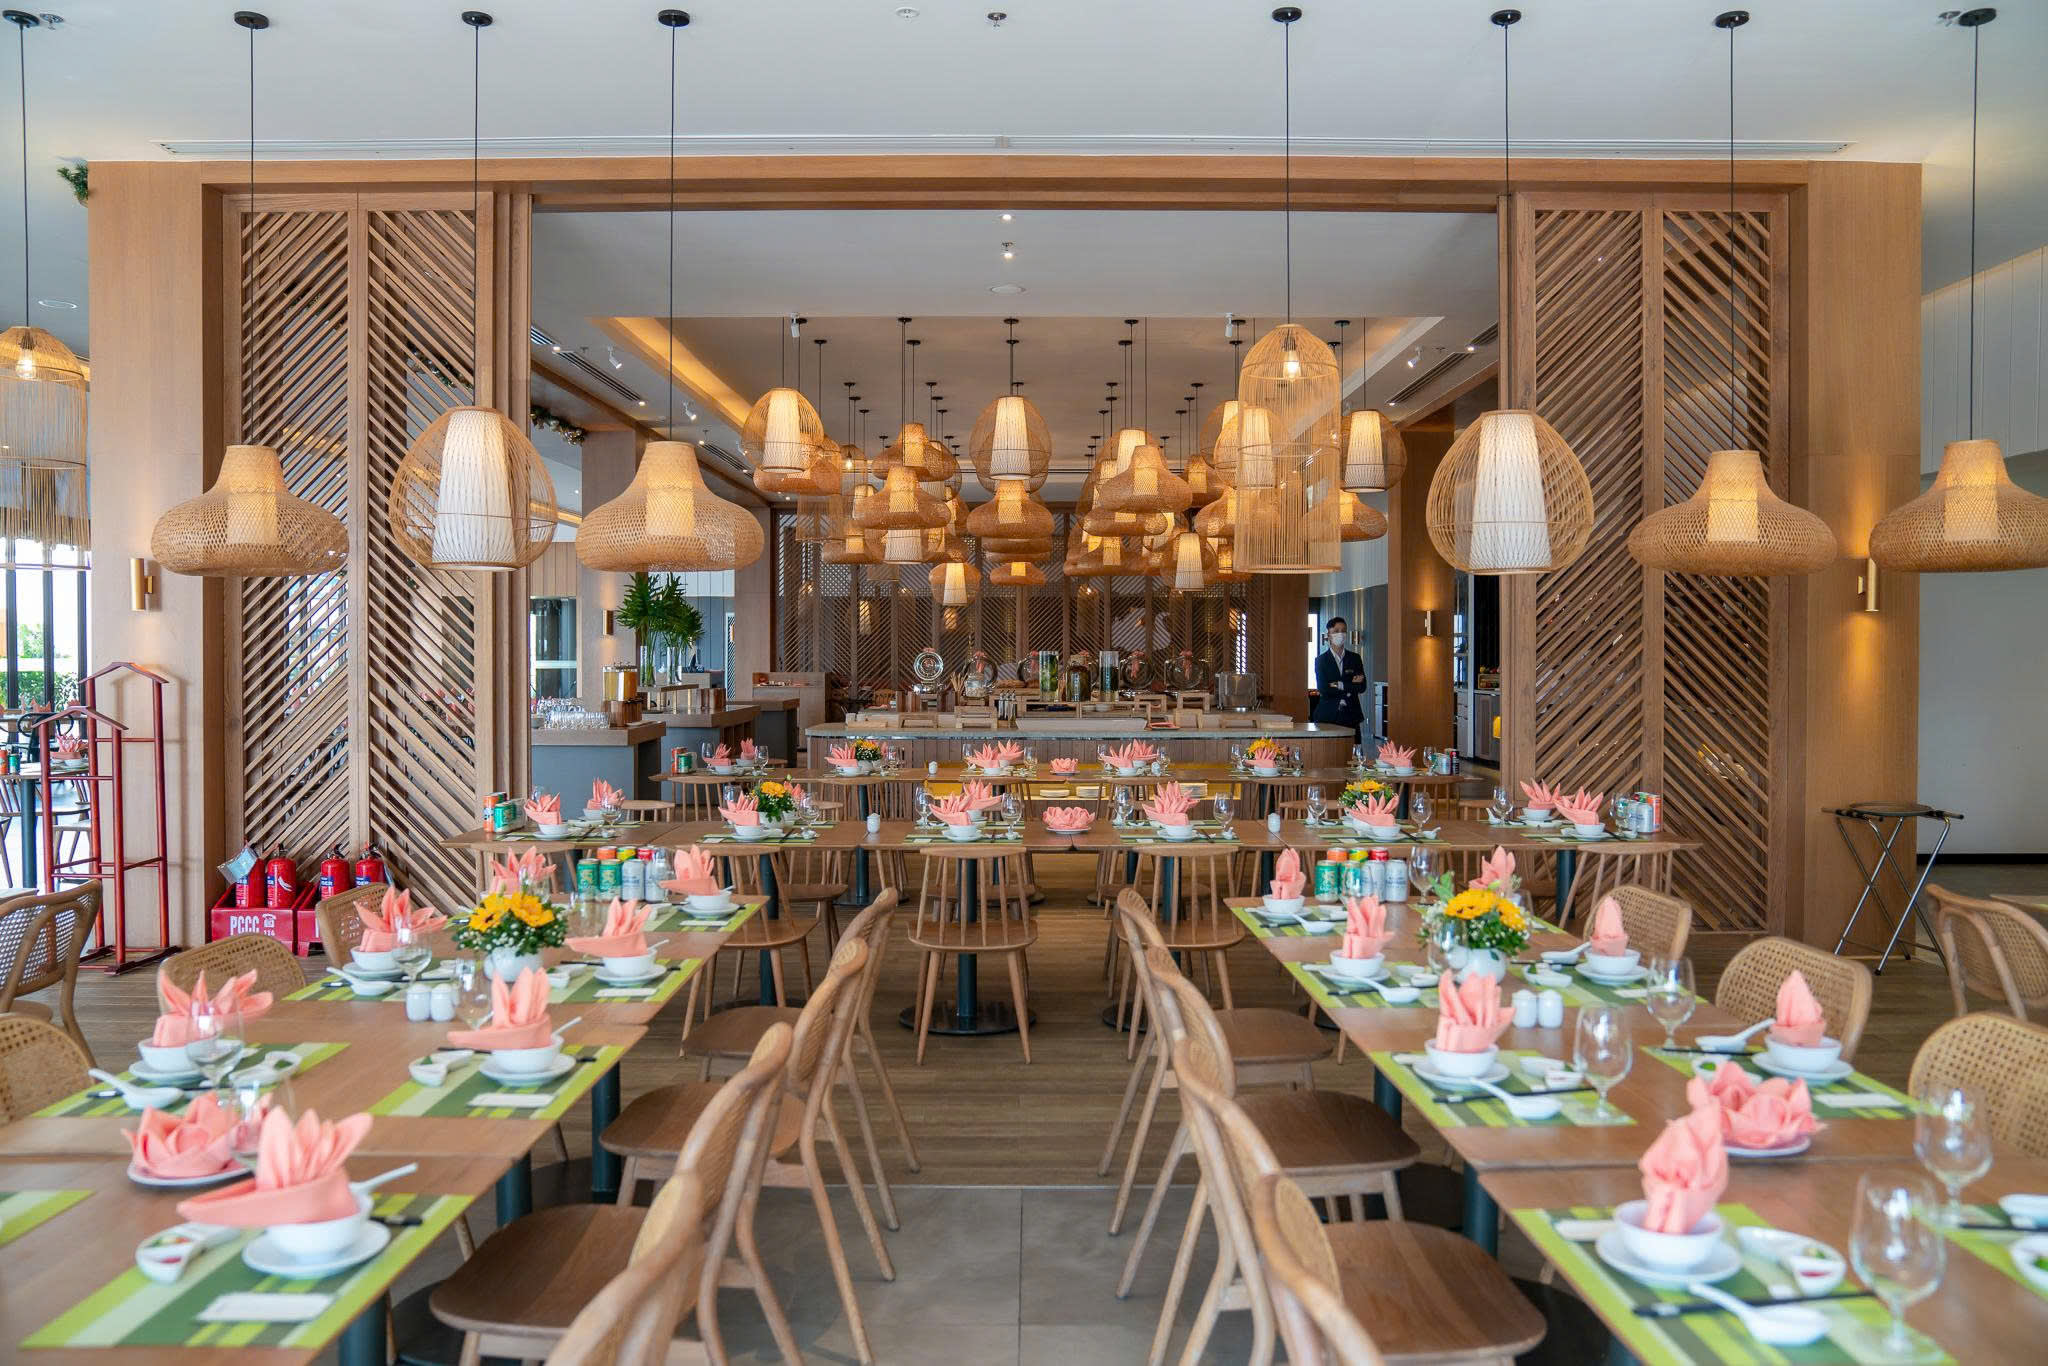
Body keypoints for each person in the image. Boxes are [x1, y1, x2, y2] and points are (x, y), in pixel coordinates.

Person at [1311, 617, 1367, 743]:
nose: (1340, 634)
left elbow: (1362, 687)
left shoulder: (1355, 658)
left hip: (1352, 714)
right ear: (1329, 635)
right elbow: (1323, 689)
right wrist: (1350, 685)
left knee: (1354, 750)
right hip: (1328, 715)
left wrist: (1339, 684)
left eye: (1343, 631)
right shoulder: (1321, 660)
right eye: (1336, 631)